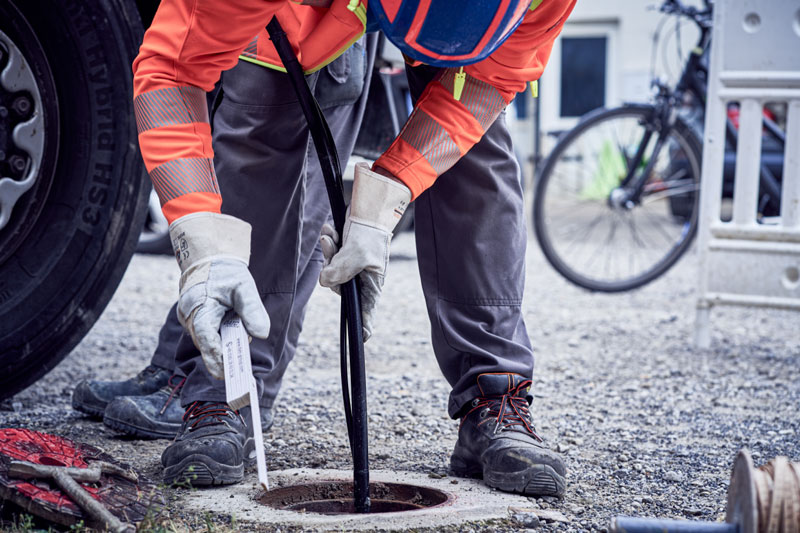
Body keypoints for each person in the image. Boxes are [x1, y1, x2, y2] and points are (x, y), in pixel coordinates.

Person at [86, 0, 577, 497]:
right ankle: (227, 393)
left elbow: (485, 85)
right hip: (304, 14)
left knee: (476, 156)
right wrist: (203, 243)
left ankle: (494, 397)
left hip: (476, 29)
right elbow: (172, 68)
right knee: (265, 121)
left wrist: (387, 196)